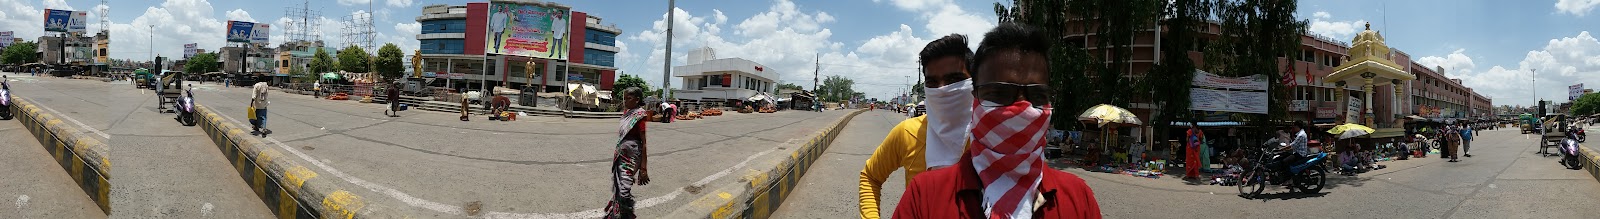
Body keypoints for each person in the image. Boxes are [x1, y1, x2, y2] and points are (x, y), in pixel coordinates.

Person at [893, 23, 1100, 218]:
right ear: (974, 99)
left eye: (1036, 96)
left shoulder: (1078, 198)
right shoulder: (924, 195)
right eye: (1000, 94)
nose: (1023, 109)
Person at [858, 34, 973, 219]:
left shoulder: (993, 137)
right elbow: (870, 177)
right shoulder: (908, 133)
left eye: (953, 80)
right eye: (933, 82)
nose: (942, 90)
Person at [604, 87, 650, 219]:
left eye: (628, 98)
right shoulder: (627, 113)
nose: (625, 101)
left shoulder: (640, 116)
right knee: (619, 186)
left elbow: (644, 142)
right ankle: (617, 214)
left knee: (624, 189)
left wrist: (644, 168)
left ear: (637, 100)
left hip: (632, 156)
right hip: (621, 155)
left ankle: (625, 215)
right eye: (624, 98)